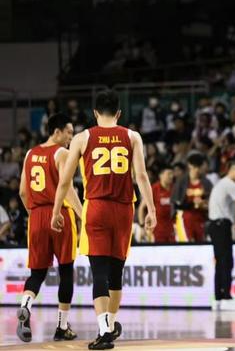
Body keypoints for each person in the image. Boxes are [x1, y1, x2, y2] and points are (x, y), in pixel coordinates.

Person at [51, 90, 156, 350]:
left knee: (99, 271)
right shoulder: (132, 136)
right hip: (124, 208)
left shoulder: (82, 137)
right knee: (116, 271)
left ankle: (104, 329)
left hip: (96, 207)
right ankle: (110, 321)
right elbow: (141, 176)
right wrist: (151, 209)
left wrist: (56, 210)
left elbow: (65, 181)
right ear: (119, 113)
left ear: (95, 113)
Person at [15, 114, 83, 342]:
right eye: (69, 132)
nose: (71, 137)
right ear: (56, 132)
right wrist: (83, 215)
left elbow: (22, 192)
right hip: (59, 214)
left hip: (36, 216)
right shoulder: (61, 153)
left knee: (37, 273)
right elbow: (68, 189)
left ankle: (25, 306)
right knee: (66, 271)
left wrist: (34, 215)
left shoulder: (29, 154)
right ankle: (62, 326)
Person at [208, 160, 235, 311]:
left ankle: (218, 297)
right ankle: (226, 298)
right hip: (222, 225)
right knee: (226, 261)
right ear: (234, 169)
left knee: (220, 262)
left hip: (215, 225)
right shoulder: (230, 184)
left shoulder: (221, 183)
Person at [172, 154, 212, 242]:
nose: (197, 170)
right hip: (184, 217)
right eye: (195, 167)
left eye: (199, 167)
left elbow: (210, 200)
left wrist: (204, 204)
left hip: (200, 218)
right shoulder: (181, 182)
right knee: (187, 243)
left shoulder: (206, 183)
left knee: (201, 244)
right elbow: (176, 202)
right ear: (191, 167)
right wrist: (192, 203)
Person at [138, 166, 174, 243]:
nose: (171, 176)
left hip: (172, 228)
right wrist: (141, 226)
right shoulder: (153, 189)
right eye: (169, 174)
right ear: (161, 175)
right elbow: (141, 208)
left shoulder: (175, 188)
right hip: (157, 229)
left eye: (172, 174)